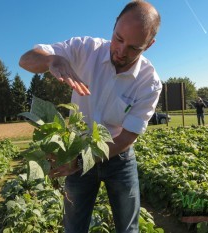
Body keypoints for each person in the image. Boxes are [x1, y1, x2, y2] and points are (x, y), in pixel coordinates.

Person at [19, 1, 161, 232]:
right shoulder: (85, 48)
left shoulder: (149, 82)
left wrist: (83, 160)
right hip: (77, 151)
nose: (121, 51)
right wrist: (51, 60)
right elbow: (25, 60)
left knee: (128, 227)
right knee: (74, 226)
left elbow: (126, 137)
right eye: (119, 38)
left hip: (118, 156)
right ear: (114, 25)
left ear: (150, 45)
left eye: (135, 48)